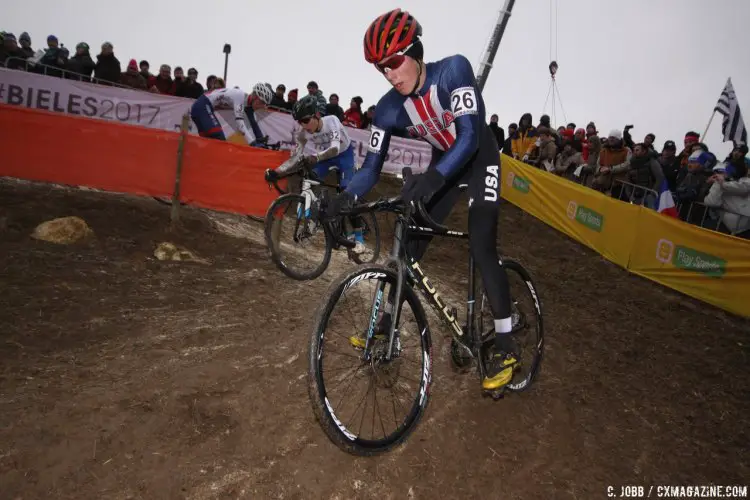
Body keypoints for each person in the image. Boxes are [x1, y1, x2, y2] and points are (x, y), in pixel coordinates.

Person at [325, 8, 517, 392]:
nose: (390, 74)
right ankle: (384, 328)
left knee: (481, 245)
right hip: (443, 166)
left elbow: (468, 138)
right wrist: (345, 196)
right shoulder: (387, 109)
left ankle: (507, 344)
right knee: (406, 248)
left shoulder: (454, 71)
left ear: (416, 51)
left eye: (395, 62)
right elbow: (371, 169)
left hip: (479, 159)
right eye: (381, 68)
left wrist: (433, 178)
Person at [265, 95, 366, 253]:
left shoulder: (331, 120)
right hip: (325, 157)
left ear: (316, 115)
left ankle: (359, 237)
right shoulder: (303, 134)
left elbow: (335, 148)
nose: (303, 125)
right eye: (299, 122)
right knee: (309, 178)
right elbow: (295, 158)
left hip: (343, 155)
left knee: (347, 195)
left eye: (305, 120)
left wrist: (316, 157)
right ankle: (314, 218)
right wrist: (277, 171)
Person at [190, 82, 273, 145]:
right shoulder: (240, 95)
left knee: (209, 144)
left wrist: (261, 140)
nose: (262, 106)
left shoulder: (248, 106)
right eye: (262, 102)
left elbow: (253, 123)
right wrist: (253, 143)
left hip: (202, 107)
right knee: (220, 140)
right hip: (203, 105)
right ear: (255, 96)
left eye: (264, 104)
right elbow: (240, 123)